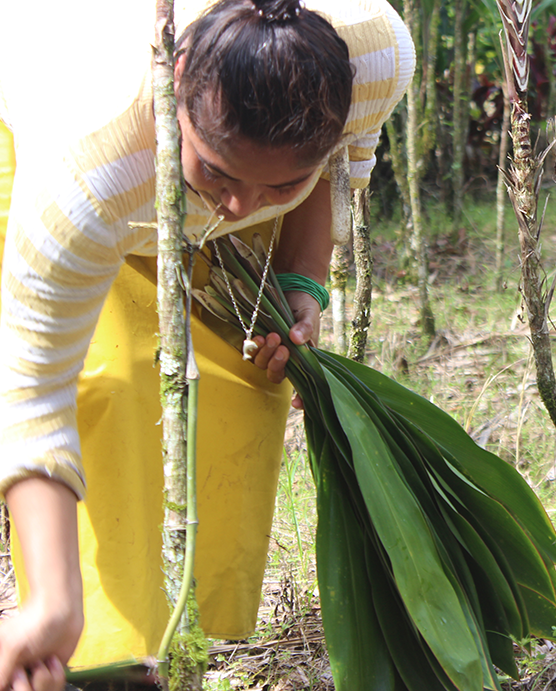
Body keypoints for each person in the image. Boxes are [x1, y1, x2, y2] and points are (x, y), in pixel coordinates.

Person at [0, 0, 414, 688]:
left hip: (187, 161)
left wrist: (300, 284)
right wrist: (50, 601)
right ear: (178, 86)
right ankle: (104, 659)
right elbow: (33, 389)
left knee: (239, 384)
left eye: (279, 184)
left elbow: (335, 158)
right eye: (219, 175)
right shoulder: (83, 174)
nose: (242, 208)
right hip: (45, 117)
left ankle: (179, 636)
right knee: (112, 382)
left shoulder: (376, 57)